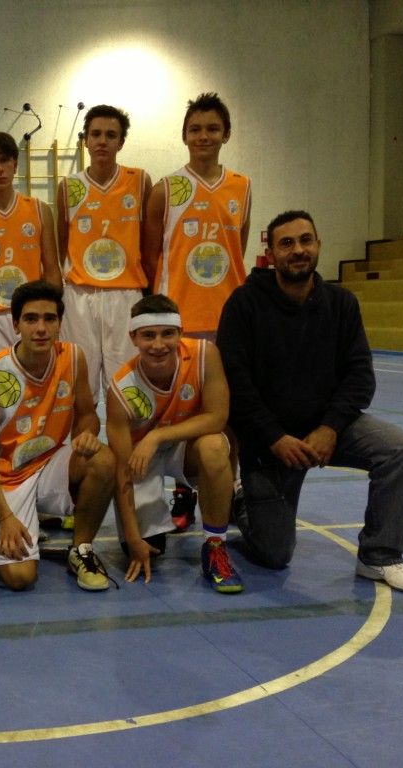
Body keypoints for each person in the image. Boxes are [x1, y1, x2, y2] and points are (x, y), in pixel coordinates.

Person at [217, 210, 403, 593]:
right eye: (287, 243)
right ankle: (243, 502)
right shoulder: (244, 304)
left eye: (305, 240)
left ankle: (380, 556)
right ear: (271, 253)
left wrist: (330, 427)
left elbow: (360, 376)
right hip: (271, 444)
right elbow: (236, 386)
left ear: (318, 244)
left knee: (398, 449)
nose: (298, 250)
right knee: (274, 554)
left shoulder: (342, 303)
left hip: (328, 430)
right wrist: (274, 438)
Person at [142, 92, 251, 531]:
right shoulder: (166, 189)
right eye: (195, 129)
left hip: (228, 320)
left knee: (228, 415)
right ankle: (183, 490)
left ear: (226, 134)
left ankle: (230, 490)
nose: (203, 136)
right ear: (184, 136)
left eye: (212, 128)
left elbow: (237, 248)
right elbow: (151, 254)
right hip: (179, 320)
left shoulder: (242, 186)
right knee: (178, 413)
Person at [0, 280, 115, 591]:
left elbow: (87, 414)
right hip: (8, 477)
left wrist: (87, 434)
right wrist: (5, 517)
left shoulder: (73, 357)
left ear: (60, 323)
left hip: (51, 464)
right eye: (31, 319)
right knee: (20, 578)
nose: (41, 328)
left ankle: (81, 549)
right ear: (15, 324)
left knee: (102, 459)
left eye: (49, 319)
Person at [105, 294, 243, 592]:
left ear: (180, 332)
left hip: (182, 445)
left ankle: (215, 546)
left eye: (167, 333)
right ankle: (158, 521)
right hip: (140, 459)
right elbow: (121, 470)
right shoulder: (121, 388)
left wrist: (157, 436)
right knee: (148, 547)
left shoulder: (205, 354)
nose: (158, 344)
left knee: (215, 445)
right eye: (148, 335)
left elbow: (218, 417)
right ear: (133, 337)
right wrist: (133, 537)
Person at [57, 104, 152, 399]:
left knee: (127, 384)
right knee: (79, 382)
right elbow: (62, 245)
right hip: (80, 295)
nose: (102, 141)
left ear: (121, 142)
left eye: (111, 135)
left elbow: (149, 243)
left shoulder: (140, 181)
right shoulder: (68, 187)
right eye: (96, 134)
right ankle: (80, 430)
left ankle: (123, 431)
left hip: (125, 294)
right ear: (86, 140)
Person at [0, 131, 62, 368]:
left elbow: (52, 271)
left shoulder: (39, 210)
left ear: (15, 165)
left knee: (36, 382)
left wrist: (53, 316)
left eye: (5, 160)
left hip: (31, 314)